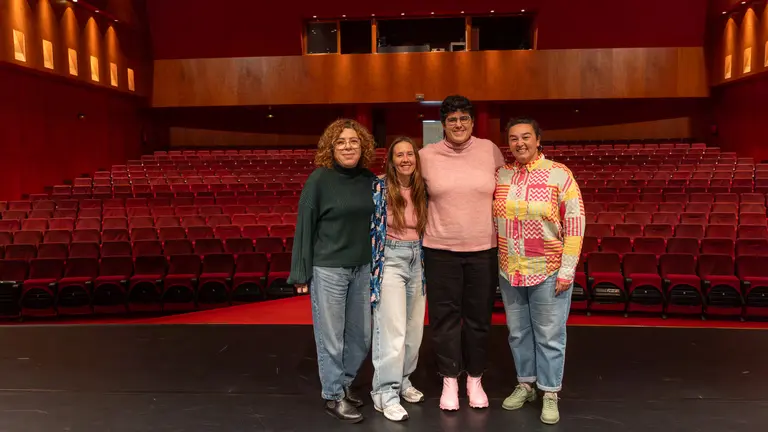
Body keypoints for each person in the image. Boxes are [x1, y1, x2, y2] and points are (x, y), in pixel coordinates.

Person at [494, 117, 585, 425]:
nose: (520, 143)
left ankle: (549, 392)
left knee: (549, 335)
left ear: (538, 140)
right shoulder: (502, 175)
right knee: (518, 333)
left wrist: (567, 270)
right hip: (511, 270)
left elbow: (574, 224)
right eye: (514, 138)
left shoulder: (559, 174)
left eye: (526, 137)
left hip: (548, 269)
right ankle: (525, 384)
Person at [419, 95, 506, 411]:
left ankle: (474, 379)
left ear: (472, 122)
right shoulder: (425, 156)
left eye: (464, 119)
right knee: (444, 319)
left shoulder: (489, 151)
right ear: (443, 124)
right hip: (440, 250)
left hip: (483, 250)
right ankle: (449, 380)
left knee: (479, 319)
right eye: (452, 119)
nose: (459, 124)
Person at [287, 118, 376, 424]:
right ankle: (333, 394)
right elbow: (304, 226)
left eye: (354, 141)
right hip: (329, 269)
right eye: (341, 142)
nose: (348, 147)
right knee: (331, 338)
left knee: (362, 336)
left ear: (362, 145)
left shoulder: (368, 178)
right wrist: (300, 272)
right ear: (331, 147)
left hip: (362, 267)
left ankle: (345, 381)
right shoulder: (319, 180)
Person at [370, 137, 428, 422]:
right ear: (391, 160)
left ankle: (403, 379)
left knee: (413, 329)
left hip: (419, 258)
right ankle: (385, 391)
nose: (405, 159)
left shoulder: (423, 187)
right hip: (391, 258)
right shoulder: (379, 186)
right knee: (392, 329)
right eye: (399, 155)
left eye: (409, 154)